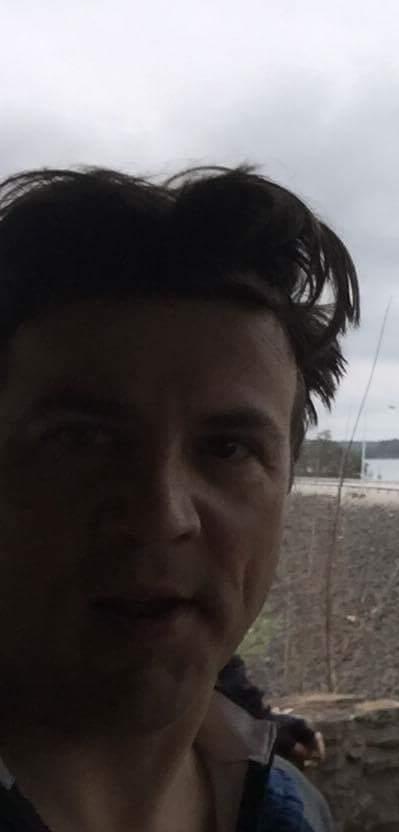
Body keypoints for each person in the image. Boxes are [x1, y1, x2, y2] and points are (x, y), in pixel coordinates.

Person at [0, 166, 359, 831]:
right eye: (80, 440)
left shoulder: (294, 815)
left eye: (227, 449)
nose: (163, 516)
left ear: (285, 485)